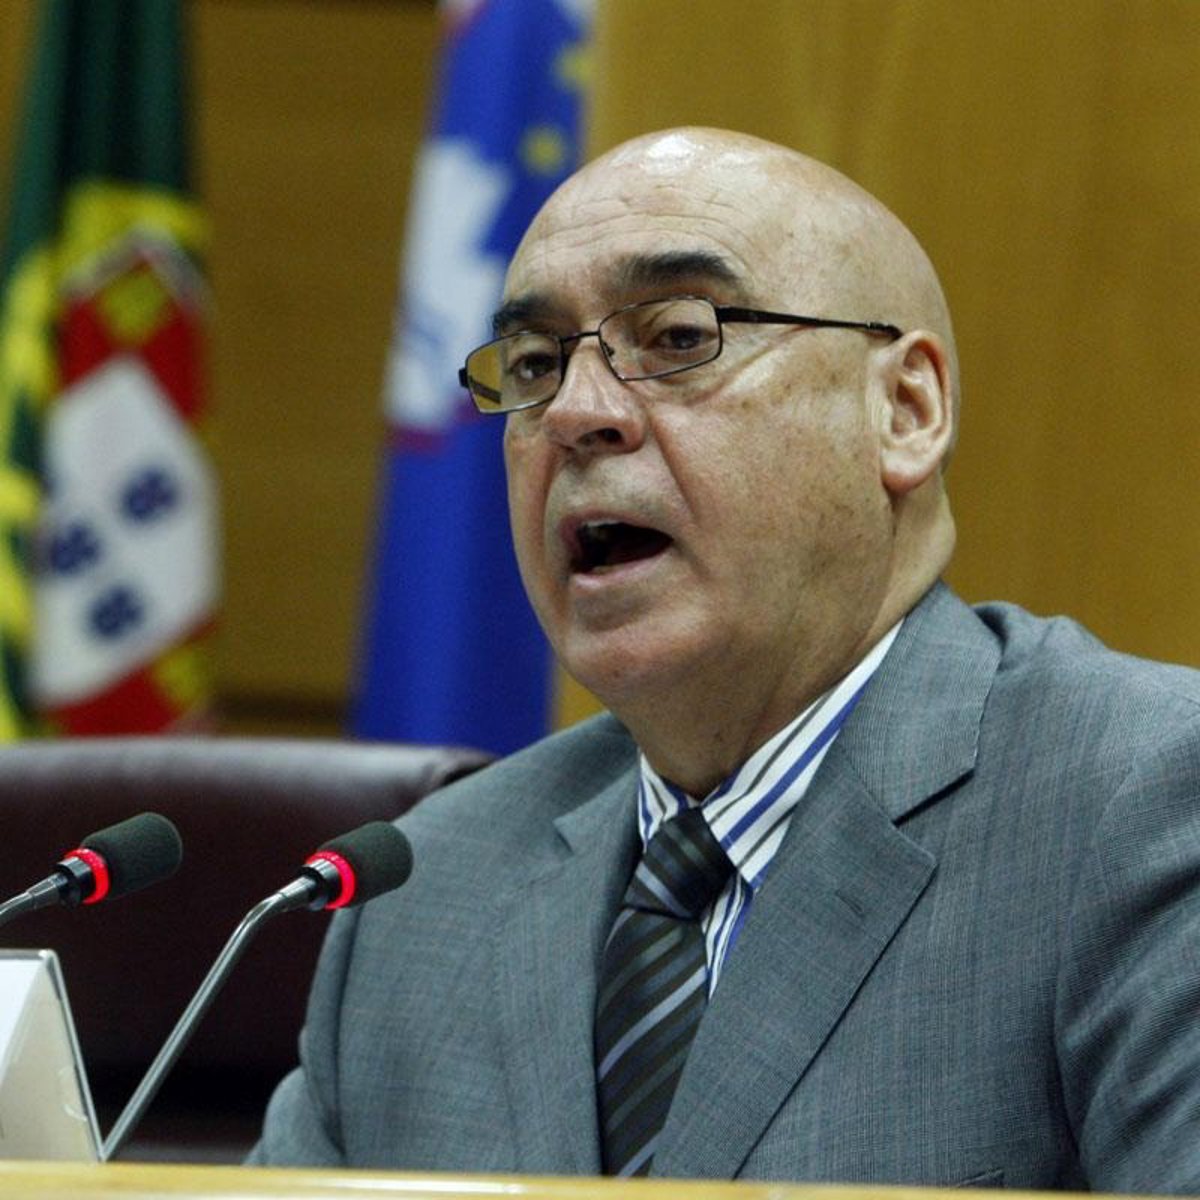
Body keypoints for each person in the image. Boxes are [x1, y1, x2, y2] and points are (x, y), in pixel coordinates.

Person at [250, 128, 1200, 1191]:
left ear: (906, 410)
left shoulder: (1146, 806)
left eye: (678, 336)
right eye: (535, 365)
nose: (576, 413)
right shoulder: (426, 888)